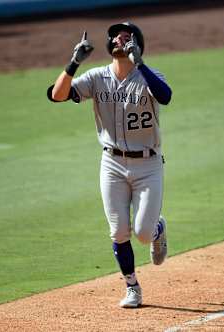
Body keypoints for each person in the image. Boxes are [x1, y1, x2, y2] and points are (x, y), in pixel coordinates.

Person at [47, 22, 172, 308]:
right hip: (111, 164)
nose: (120, 39)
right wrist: (74, 63)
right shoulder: (97, 77)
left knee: (141, 233)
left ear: (138, 45)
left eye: (127, 37)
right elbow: (57, 95)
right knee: (118, 231)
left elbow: (165, 96)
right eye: (116, 36)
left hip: (148, 165)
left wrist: (139, 62)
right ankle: (132, 287)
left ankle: (156, 230)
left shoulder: (148, 77)